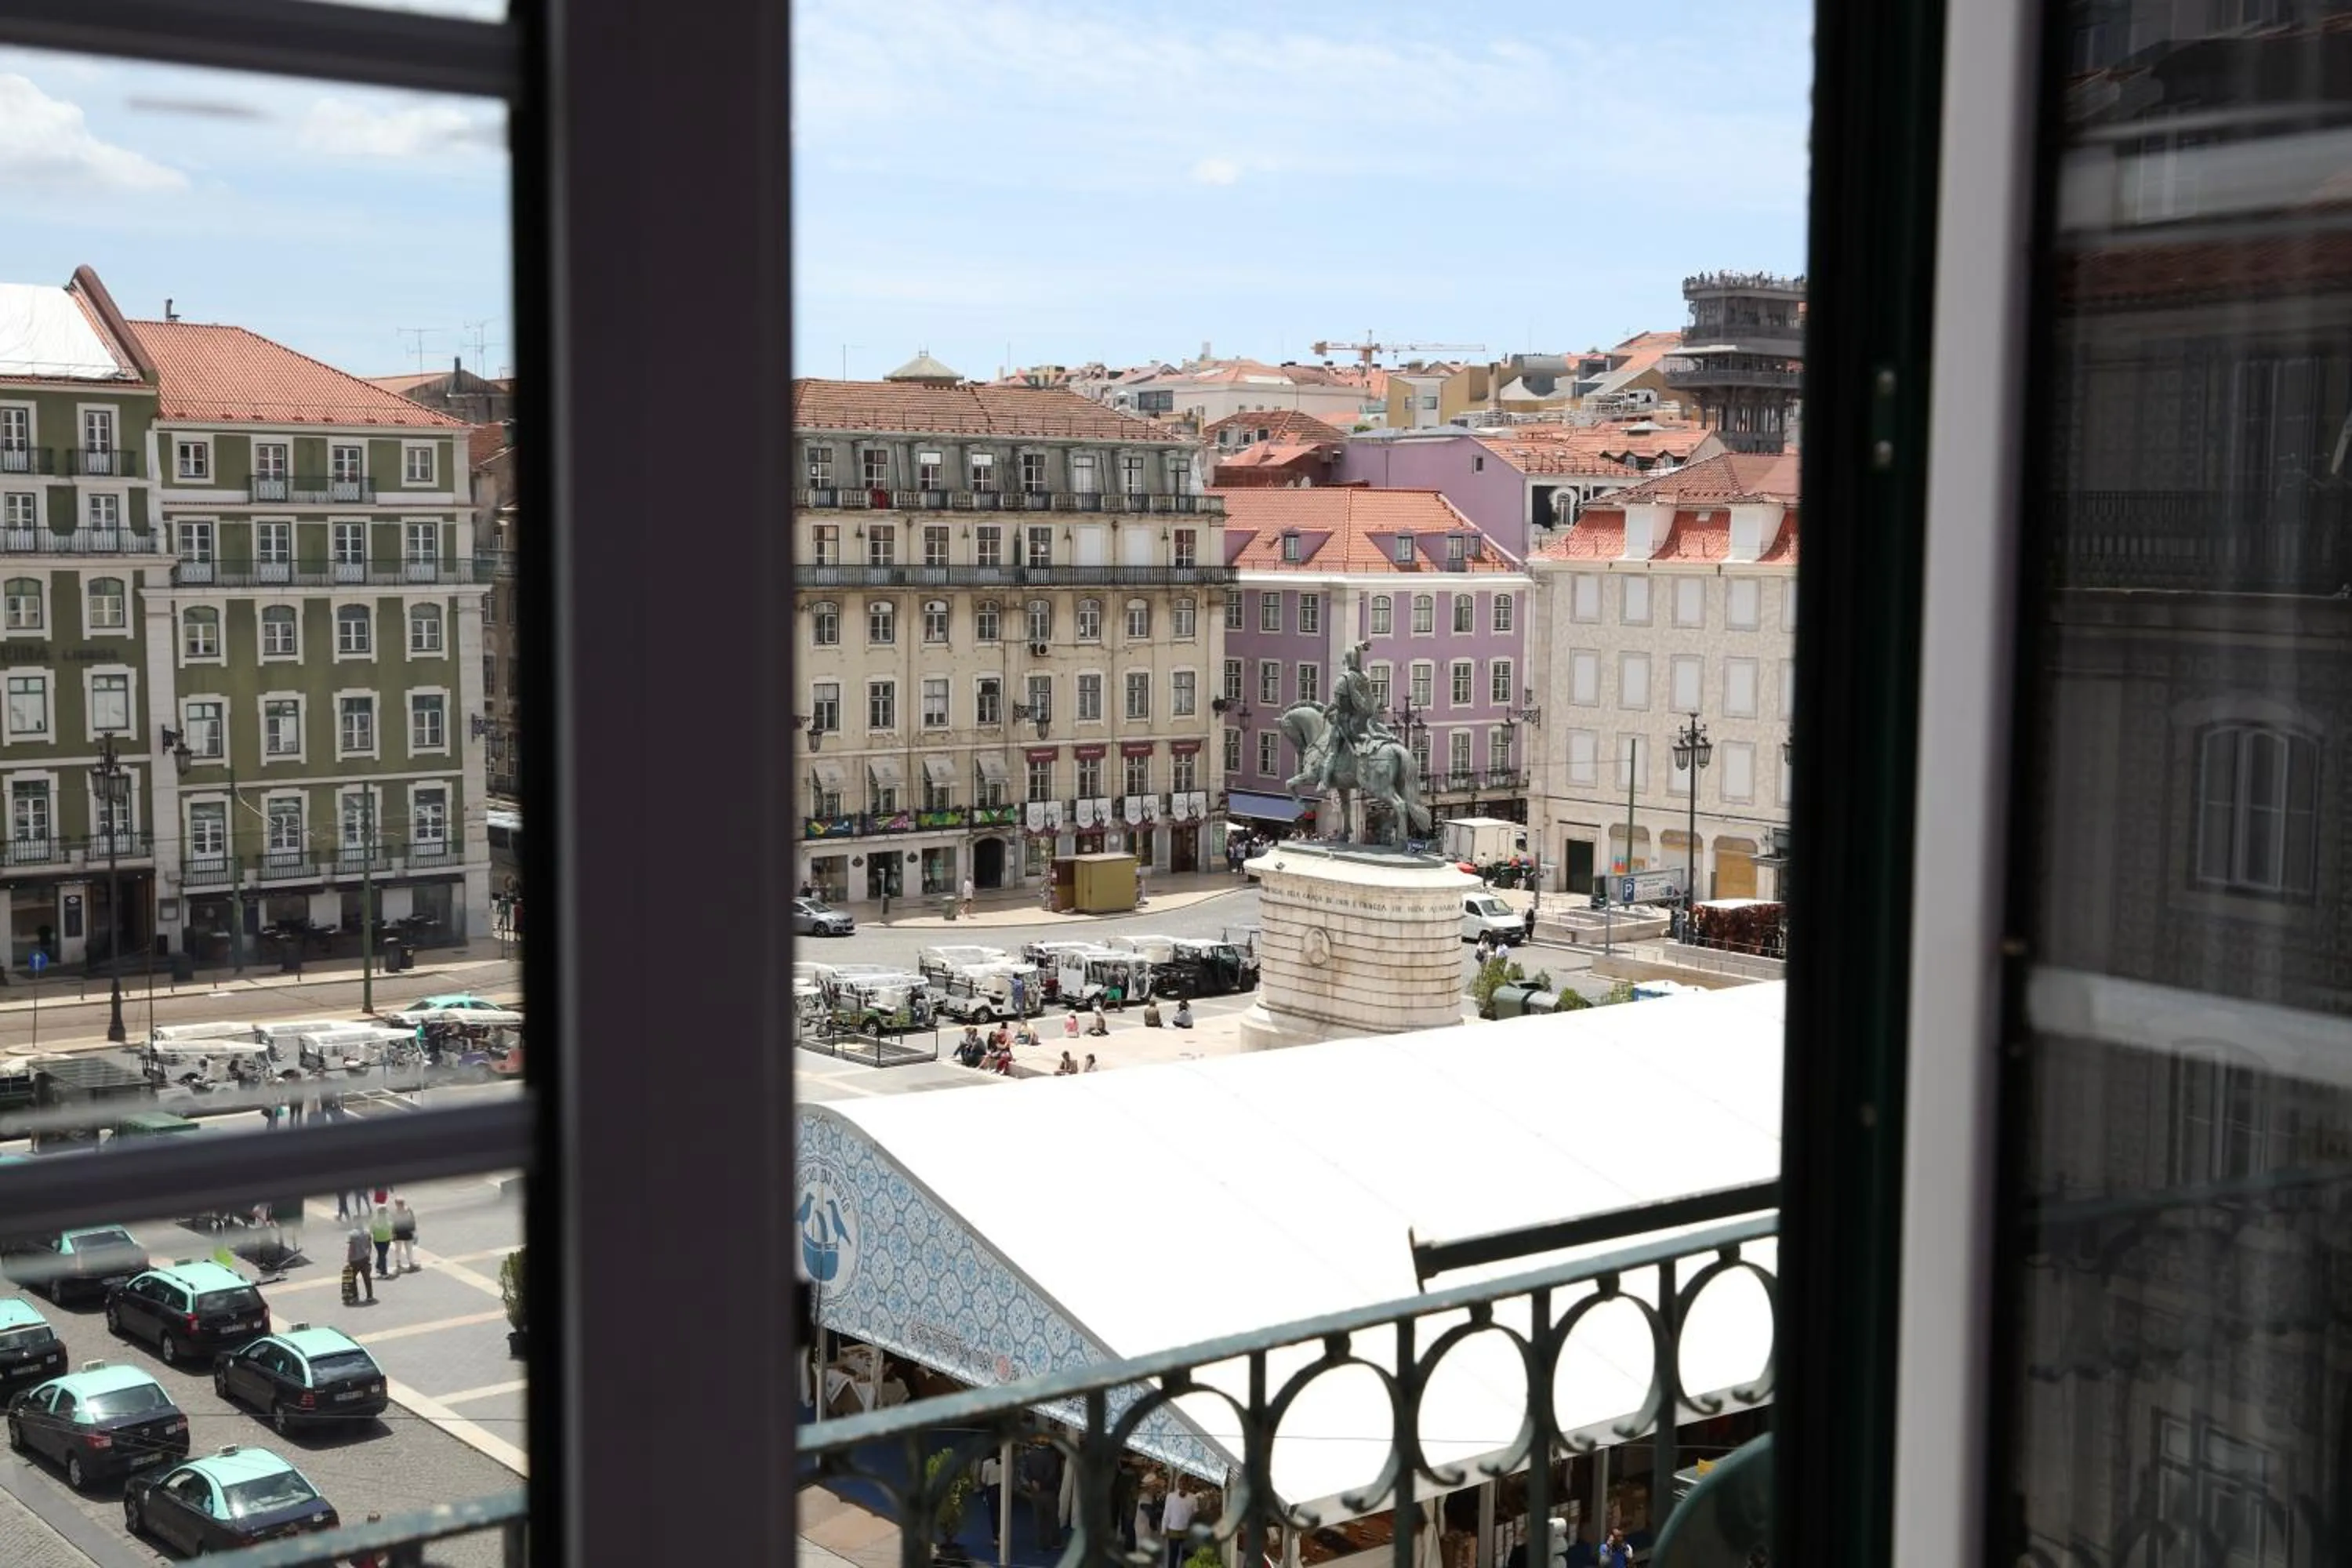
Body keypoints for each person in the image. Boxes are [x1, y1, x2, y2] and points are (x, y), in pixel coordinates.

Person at [1160, 1480, 1197, 1568]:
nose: (1183, 1486)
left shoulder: (1191, 1498)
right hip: (1179, 1530)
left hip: (1180, 1530)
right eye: (1182, 1484)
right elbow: (1167, 1513)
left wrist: (1163, 1530)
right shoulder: (1173, 1497)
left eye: (1184, 1484)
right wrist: (1163, 1529)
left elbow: (1166, 1514)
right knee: (1179, 1555)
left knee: (1179, 1555)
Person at [344, 1224, 375, 1304]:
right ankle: (370, 1296)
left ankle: (355, 1296)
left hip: (354, 1260)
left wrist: (349, 1259)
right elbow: (370, 1245)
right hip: (365, 1258)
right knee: (367, 1278)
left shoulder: (352, 1234)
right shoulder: (367, 1233)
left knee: (352, 1278)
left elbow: (351, 1248)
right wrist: (368, 1254)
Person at [978, 1452, 1004, 1545]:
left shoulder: (987, 1463)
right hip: (1004, 1489)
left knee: (994, 1514)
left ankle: (996, 1538)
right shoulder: (1005, 1461)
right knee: (1003, 1513)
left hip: (993, 1490)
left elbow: (983, 1480)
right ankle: (1003, 1534)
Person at [391, 1198, 419, 1273]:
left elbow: (392, 1223)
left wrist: (392, 1233)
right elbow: (413, 1220)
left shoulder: (395, 1212)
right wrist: (414, 1230)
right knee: (407, 1249)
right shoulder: (408, 1210)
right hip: (406, 1232)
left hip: (400, 1232)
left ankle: (400, 1264)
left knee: (399, 1249)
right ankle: (410, 1263)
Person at [369, 1204, 394, 1279]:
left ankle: (378, 1266)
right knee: (383, 1255)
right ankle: (384, 1273)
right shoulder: (387, 1218)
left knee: (381, 1254)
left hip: (379, 1240)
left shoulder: (375, 1219)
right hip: (384, 1239)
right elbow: (392, 1226)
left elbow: (371, 1229)